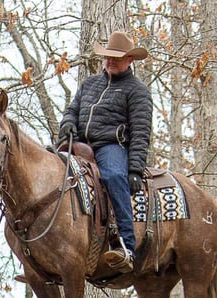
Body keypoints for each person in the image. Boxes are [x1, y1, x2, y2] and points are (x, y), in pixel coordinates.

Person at [58, 31, 153, 273]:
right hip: (78, 144)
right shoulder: (89, 84)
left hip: (111, 146)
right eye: (108, 57)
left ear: (130, 60)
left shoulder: (137, 91)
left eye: (116, 58)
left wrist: (134, 170)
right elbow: (72, 110)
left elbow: (141, 133)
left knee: (112, 176)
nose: (110, 61)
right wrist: (68, 123)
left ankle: (126, 245)